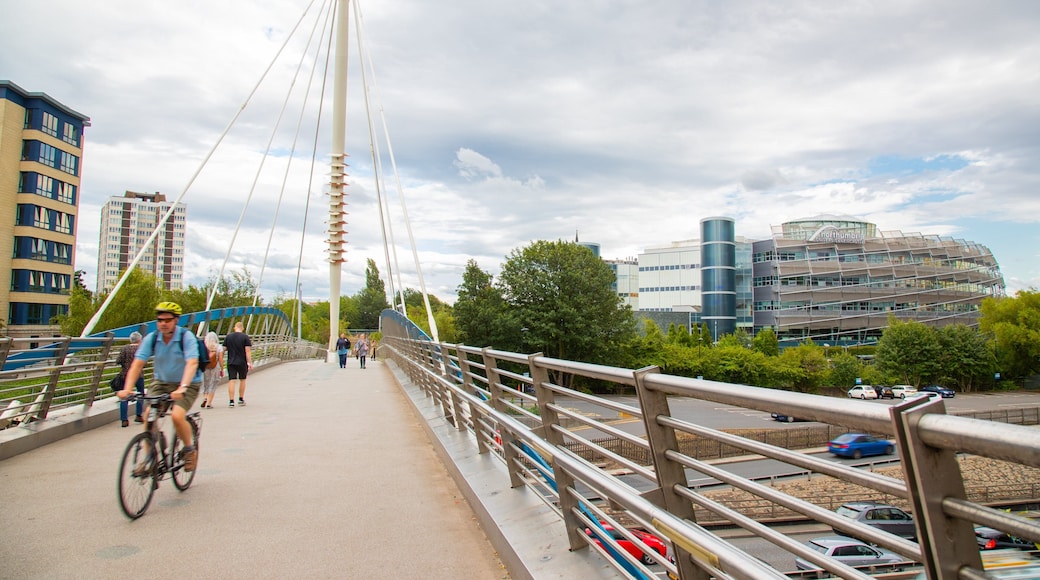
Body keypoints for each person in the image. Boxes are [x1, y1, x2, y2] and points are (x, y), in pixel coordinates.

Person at [119, 302, 201, 472]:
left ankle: (189, 450)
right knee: (149, 415)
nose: (163, 323)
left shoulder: (186, 337)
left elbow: (192, 362)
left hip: (187, 383)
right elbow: (137, 365)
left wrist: (182, 387)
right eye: (160, 320)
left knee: (177, 416)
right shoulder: (152, 338)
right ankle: (150, 460)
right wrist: (127, 389)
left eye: (167, 320)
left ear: (176, 321)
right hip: (161, 382)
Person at [115, 331, 146, 427]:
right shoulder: (141, 349)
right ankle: (138, 415)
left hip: (125, 375)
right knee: (140, 394)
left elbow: (118, 361)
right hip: (138, 375)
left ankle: (124, 420)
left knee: (124, 397)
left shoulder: (124, 348)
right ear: (139, 340)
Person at [224, 321, 253, 407]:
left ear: (234, 327)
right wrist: (250, 362)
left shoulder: (228, 337)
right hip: (242, 362)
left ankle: (231, 401)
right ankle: (240, 399)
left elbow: (223, 349)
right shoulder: (245, 337)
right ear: (242, 328)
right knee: (242, 380)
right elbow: (247, 351)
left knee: (232, 380)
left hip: (231, 361)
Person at [199, 331, 224, 408]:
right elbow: (220, 359)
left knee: (206, 382)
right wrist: (222, 369)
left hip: (205, 366)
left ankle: (205, 397)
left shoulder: (204, 346)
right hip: (215, 367)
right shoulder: (219, 347)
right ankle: (209, 403)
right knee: (213, 383)